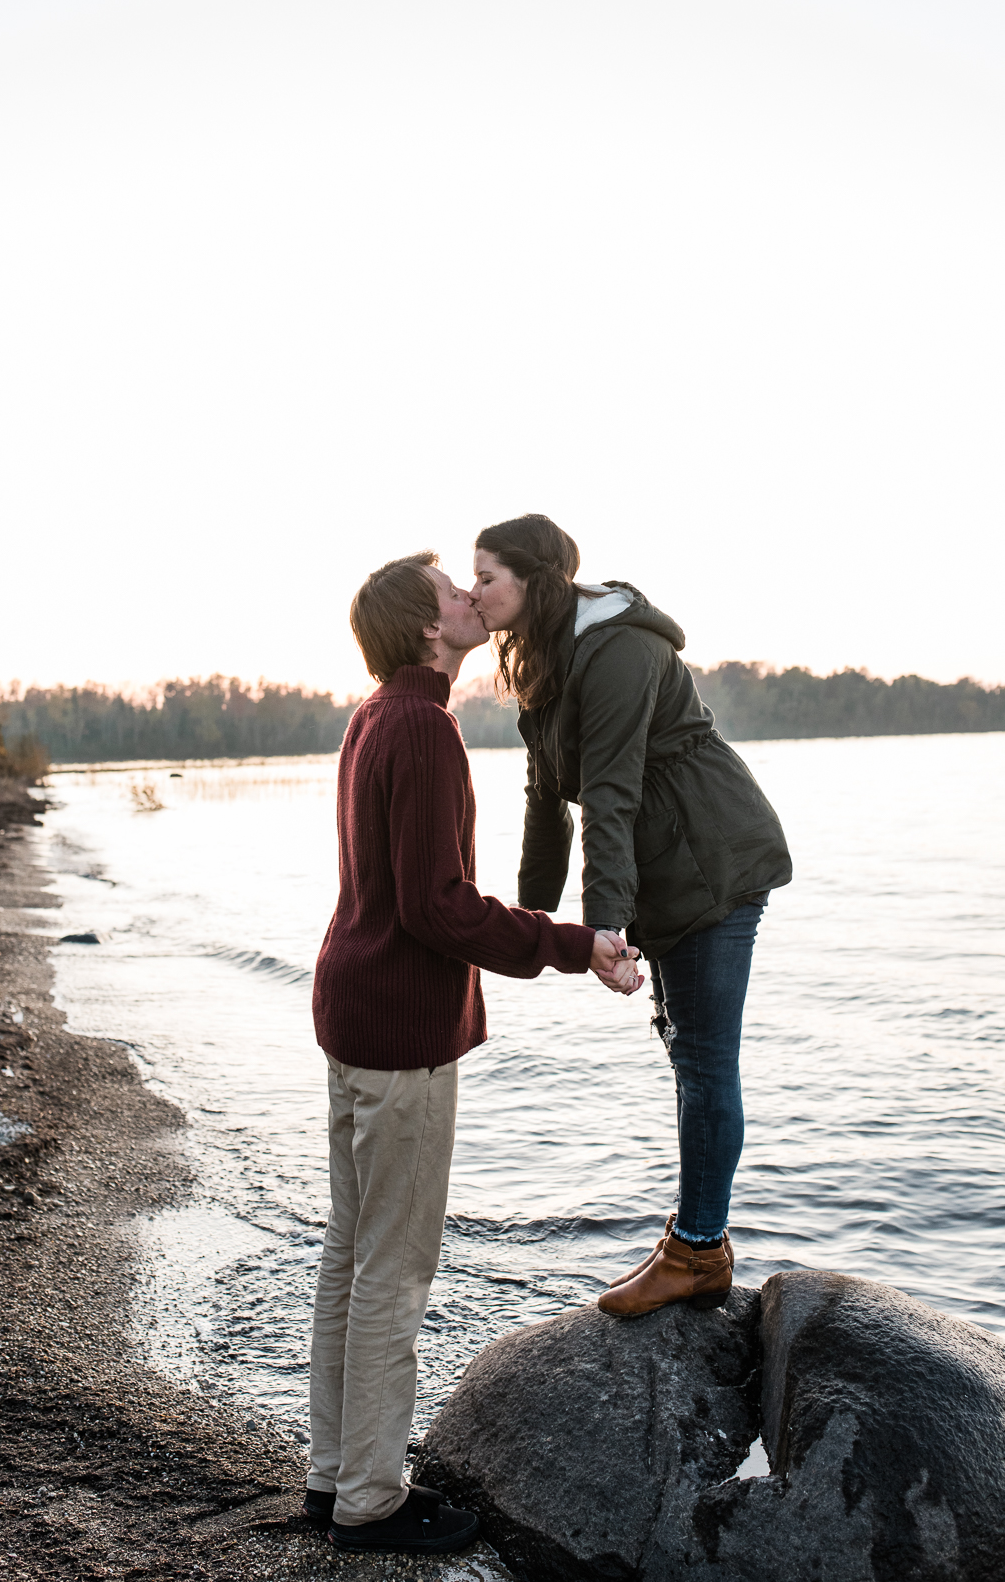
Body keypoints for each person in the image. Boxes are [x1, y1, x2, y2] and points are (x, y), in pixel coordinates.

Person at [305, 551, 637, 1557]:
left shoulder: (374, 717)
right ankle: (369, 1499)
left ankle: (332, 1476)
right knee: (393, 1270)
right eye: (453, 590)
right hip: (399, 1031)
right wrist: (571, 945)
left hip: (352, 1009)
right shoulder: (421, 726)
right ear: (423, 628)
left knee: (348, 1257)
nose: (468, 598)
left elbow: (407, 897)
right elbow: (434, 907)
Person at [469, 514, 792, 1318]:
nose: (474, 593)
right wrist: (530, 923)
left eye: (485, 578)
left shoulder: (617, 651)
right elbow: (548, 795)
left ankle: (697, 1250)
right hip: (665, 870)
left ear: (533, 581)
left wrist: (602, 924)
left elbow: (610, 791)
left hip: (712, 857)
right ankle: (696, 1243)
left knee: (704, 1059)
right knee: (689, 1054)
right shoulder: (547, 655)